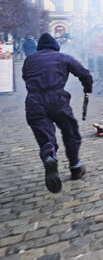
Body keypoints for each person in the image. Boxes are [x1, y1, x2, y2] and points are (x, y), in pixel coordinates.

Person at [22, 33, 93, 193]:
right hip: (57, 100)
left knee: (45, 135)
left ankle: (49, 156)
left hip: (34, 103)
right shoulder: (63, 57)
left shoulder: (30, 60)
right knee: (70, 132)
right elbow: (85, 74)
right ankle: (75, 167)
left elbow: (25, 77)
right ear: (56, 46)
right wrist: (87, 88)